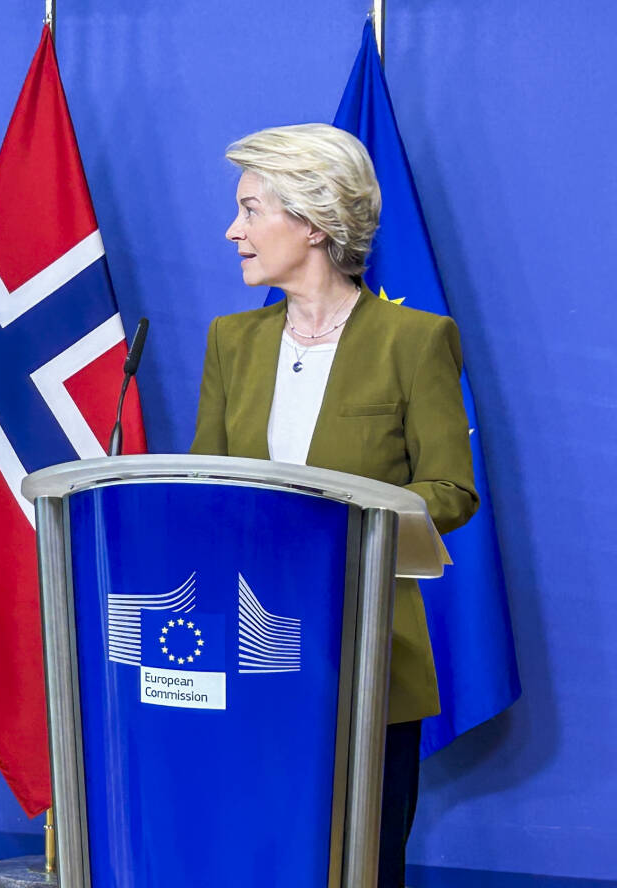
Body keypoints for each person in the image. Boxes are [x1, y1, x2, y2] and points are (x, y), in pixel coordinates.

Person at [189, 123, 478, 888]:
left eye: (251, 210)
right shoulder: (230, 342)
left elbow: (450, 489)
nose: (234, 230)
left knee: (361, 860)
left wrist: (334, 519)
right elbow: (209, 490)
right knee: (257, 856)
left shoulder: (415, 341)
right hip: (249, 653)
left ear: (312, 223)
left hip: (368, 652)